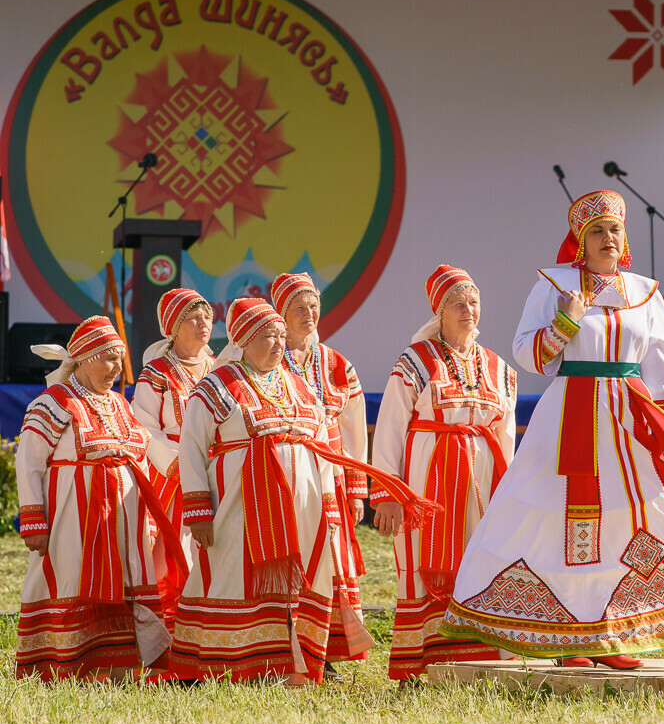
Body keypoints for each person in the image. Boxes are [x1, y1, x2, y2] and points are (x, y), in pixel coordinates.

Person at [441, 190, 664, 669]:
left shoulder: (645, 291)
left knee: (628, 519)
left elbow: (663, 360)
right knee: (561, 519)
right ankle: (570, 638)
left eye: (615, 230)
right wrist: (566, 320)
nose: (608, 238)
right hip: (571, 416)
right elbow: (530, 354)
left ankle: (614, 632)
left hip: (629, 417)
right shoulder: (555, 285)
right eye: (597, 231)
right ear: (580, 242)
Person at [171, 298, 430, 683]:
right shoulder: (217, 385)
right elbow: (190, 446)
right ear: (243, 340)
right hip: (239, 509)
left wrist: (330, 506)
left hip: (303, 512)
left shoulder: (299, 387)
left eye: (279, 334)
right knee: (230, 576)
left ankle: (295, 663)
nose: (277, 342)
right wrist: (197, 510)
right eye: (267, 336)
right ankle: (215, 664)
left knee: (300, 584)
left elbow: (322, 447)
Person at [15, 316, 186, 679]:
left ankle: (120, 667)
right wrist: (33, 518)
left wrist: (186, 472)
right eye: (108, 358)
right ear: (84, 358)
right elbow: (28, 460)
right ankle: (66, 663)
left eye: (119, 358)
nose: (116, 368)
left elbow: (144, 449)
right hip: (71, 521)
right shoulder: (55, 402)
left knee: (127, 582)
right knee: (70, 579)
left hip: (123, 522)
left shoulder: (119, 404)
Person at [370, 265, 518, 680]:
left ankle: (483, 660)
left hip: (484, 488)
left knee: (483, 559)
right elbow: (391, 429)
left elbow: (505, 436)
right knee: (422, 562)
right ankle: (424, 663)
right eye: (457, 303)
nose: (467, 310)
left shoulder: (499, 368)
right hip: (426, 484)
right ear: (439, 310)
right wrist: (388, 495)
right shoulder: (415, 361)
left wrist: (509, 498)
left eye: (473, 302)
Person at [272, 272, 371, 670]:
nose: (308, 313)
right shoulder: (267, 358)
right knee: (291, 553)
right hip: (286, 473)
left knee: (329, 557)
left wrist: (357, 487)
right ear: (280, 312)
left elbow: (354, 428)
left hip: (329, 474)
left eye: (313, 306)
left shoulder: (337, 364)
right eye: (298, 307)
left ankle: (324, 650)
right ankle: (285, 645)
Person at [131, 288, 215, 613]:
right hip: (172, 474)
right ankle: (169, 629)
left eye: (206, 316)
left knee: (215, 547)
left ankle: (211, 624)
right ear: (173, 326)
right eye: (193, 317)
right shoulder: (156, 373)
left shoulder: (221, 368)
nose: (202, 323)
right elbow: (144, 426)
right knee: (172, 549)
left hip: (215, 470)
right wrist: (178, 463)